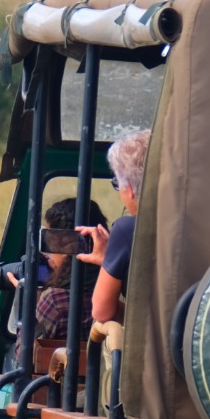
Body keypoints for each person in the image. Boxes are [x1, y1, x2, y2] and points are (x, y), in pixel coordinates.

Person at [78, 128, 149, 325]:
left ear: (131, 190)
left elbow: (101, 311)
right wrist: (110, 261)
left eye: (118, 182)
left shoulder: (127, 230)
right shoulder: (197, 221)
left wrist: (111, 261)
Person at [33, 198, 107, 344]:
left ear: (69, 247)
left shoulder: (55, 301)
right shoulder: (118, 289)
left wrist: (26, 302)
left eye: (50, 242)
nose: (46, 254)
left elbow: (23, 354)